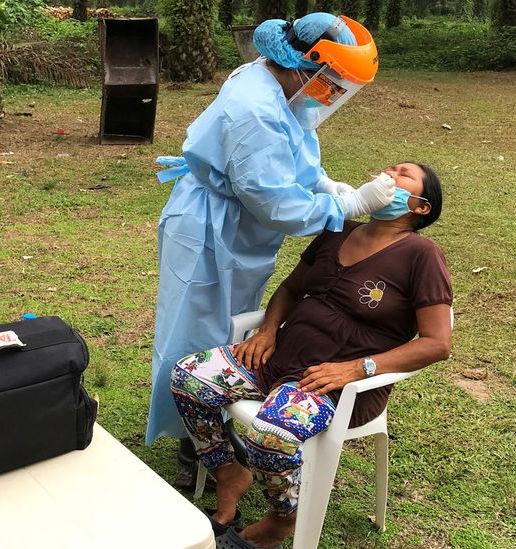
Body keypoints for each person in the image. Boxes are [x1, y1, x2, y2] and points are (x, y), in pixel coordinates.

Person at [147, 13, 395, 487]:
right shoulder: (254, 106)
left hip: (239, 227)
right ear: (307, 67)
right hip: (208, 226)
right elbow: (274, 201)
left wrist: (322, 182)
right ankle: (194, 442)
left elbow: (296, 147)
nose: (333, 93)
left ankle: (215, 421)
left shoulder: (285, 87)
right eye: (333, 81)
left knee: (231, 321)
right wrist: (349, 203)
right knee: (193, 328)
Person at [170, 162, 453, 548]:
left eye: (403, 174)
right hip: (278, 357)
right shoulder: (338, 229)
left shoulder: (422, 255)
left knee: (270, 436)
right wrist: (268, 330)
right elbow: (290, 289)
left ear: (420, 206)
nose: (389, 174)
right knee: (188, 378)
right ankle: (229, 474)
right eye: (389, 167)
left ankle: (282, 519)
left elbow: (437, 343)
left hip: (335, 382)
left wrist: (358, 368)